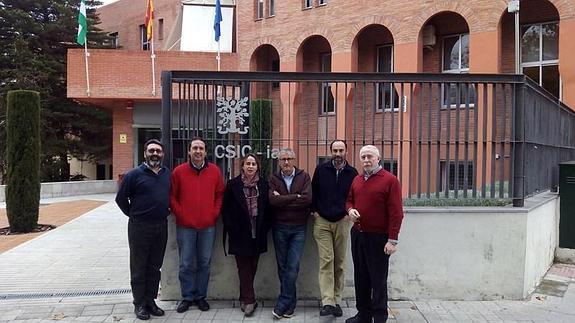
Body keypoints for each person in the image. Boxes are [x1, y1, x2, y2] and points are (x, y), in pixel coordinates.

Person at [345, 145, 404, 323]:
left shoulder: (390, 180)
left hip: (379, 238)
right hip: (358, 235)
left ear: (378, 158)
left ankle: (379, 317)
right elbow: (349, 200)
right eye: (363, 157)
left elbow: (396, 213)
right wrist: (350, 210)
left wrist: (392, 241)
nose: (366, 160)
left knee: (378, 280)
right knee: (360, 277)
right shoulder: (357, 179)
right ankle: (363, 315)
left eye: (369, 156)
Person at [115, 139, 170, 321]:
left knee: (155, 266)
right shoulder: (134, 175)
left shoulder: (166, 174)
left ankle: (151, 301)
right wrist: (134, 214)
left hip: (161, 226)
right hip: (139, 227)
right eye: (151, 150)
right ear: (145, 153)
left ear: (162, 154)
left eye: (158, 151)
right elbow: (121, 199)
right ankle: (139, 304)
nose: (155, 154)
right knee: (139, 267)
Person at [170, 137, 225, 313]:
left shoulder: (215, 171)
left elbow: (220, 195)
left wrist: (214, 213)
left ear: (206, 152)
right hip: (185, 226)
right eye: (195, 148)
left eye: (201, 148)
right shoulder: (178, 172)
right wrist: (182, 214)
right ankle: (187, 297)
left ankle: (200, 297)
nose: (198, 151)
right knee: (186, 264)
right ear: (189, 151)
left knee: (204, 263)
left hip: (208, 226)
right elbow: (172, 196)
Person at [311, 140, 358, 317]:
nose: (338, 153)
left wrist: (348, 214)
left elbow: (356, 195)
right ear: (330, 151)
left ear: (346, 152)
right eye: (335, 150)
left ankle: (337, 300)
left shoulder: (352, 172)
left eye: (341, 150)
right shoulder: (321, 170)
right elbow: (313, 191)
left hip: (342, 221)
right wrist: (314, 211)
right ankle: (327, 302)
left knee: (339, 263)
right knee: (326, 260)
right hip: (322, 221)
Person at [221, 153, 272, 317]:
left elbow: (269, 210)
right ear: (242, 166)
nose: (250, 166)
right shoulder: (233, 185)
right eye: (247, 163)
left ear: (258, 167)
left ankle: (243, 296)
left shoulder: (264, 185)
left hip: (257, 232)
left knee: (253, 266)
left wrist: (265, 227)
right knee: (243, 267)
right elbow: (226, 209)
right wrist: (232, 228)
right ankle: (250, 301)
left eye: (253, 164)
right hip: (239, 233)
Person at [268, 148, 312, 319]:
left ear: (294, 160)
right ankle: (290, 304)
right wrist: (295, 197)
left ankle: (282, 302)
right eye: (282, 159)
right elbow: (273, 201)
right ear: (278, 162)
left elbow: (307, 200)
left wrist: (284, 199)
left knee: (292, 266)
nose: (286, 162)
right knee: (282, 267)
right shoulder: (274, 178)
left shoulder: (304, 176)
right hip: (279, 227)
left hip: (298, 228)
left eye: (289, 158)